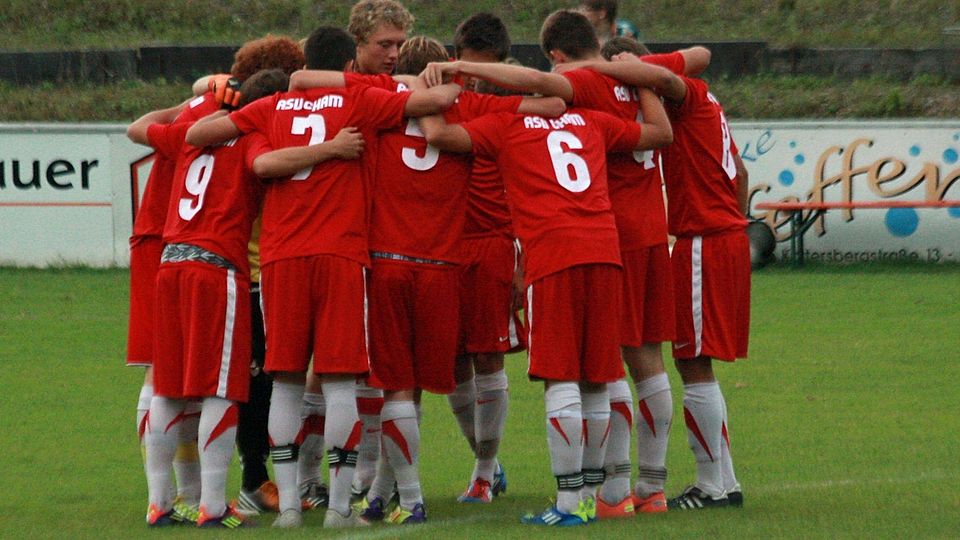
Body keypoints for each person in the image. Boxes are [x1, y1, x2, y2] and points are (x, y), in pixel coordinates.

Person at [422, 9, 697, 518]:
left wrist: (428, 100)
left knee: (561, 379)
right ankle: (604, 496)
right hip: (606, 251)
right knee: (600, 377)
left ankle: (571, 500)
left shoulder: (503, 124)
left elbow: (440, 138)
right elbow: (660, 134)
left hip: (553, 256)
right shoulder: (594, 121)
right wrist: (643, 83)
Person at [185, 26, 460, 529]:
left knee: (286, 381)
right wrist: (435, 77)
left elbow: (197, 135)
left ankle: (289, 508)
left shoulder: (270, 109)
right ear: (349, 63)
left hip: (281, 259)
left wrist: (228, 101)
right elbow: (439, 98)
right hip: (340, 255)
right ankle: (338, 509)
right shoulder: (359, 99)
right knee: (339, 383)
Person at [569, 49, 751, 510]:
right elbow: (742, 173)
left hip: (703, 240)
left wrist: (598, 68)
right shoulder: (710, 106)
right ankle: (724, 482)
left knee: (693, 365)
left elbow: (674, 71)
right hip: (723, 235)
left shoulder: (688, 97)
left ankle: (711, 485)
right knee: (693, 363)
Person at [128, 69, 291, 528]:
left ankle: (159, 504)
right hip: (216, 268)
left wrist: (195, 93)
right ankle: (214, 506)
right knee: (221, 388)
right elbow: (265, 168)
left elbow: (138, 127)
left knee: (169, 388)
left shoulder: (194, 130)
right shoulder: (254, 137)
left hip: (170, 264)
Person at [191, 33, 307, 518]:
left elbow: (201, 86)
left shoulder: (224, 114)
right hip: (252, 272)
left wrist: (213, 83)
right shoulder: (257, 127)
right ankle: (254, 479)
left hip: (245, 267)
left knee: (268, 381)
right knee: (259, 383)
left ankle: (272, 478)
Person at [446, 11, 521, 505]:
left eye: (488, 70)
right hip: (440, 248)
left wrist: (522, 259)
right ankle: (486, 462)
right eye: (471, 70)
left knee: (487, 355)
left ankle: (483, 471)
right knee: (451, 364)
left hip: (493, 243)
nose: (479, 80)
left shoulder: (513, 106)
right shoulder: (436, 100)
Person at [346, 0, 416, 501]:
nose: (393, 54)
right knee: (340, 367)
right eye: (383, 45)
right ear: (357, 44)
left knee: (379, 369)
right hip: (345, 241)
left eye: (399, 45)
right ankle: (336, 477)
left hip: (379, 242)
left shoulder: (373, 87)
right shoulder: (359, 90)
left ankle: (374, 479)